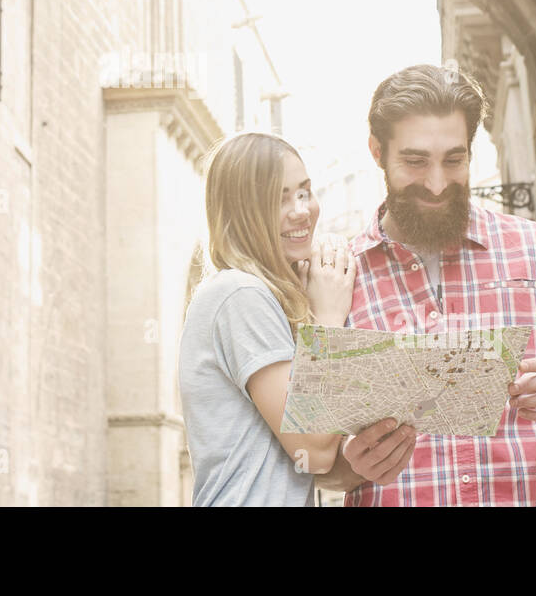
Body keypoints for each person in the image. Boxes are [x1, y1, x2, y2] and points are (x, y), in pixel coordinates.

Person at [316, 64, 536, 505]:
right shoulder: (333, 280)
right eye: (415, 161)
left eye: (454, 159)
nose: (438, 183)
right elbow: (315, 460)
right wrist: (353, 465)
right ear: (376, 151)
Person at [177, 131, 416, 506]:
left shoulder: (259, 296)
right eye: (278, 198)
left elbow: (311, 461)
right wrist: (328, 318)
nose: (301, 210)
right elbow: (313, 448)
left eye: (304, 191)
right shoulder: (240, 293)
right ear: (240, 213)